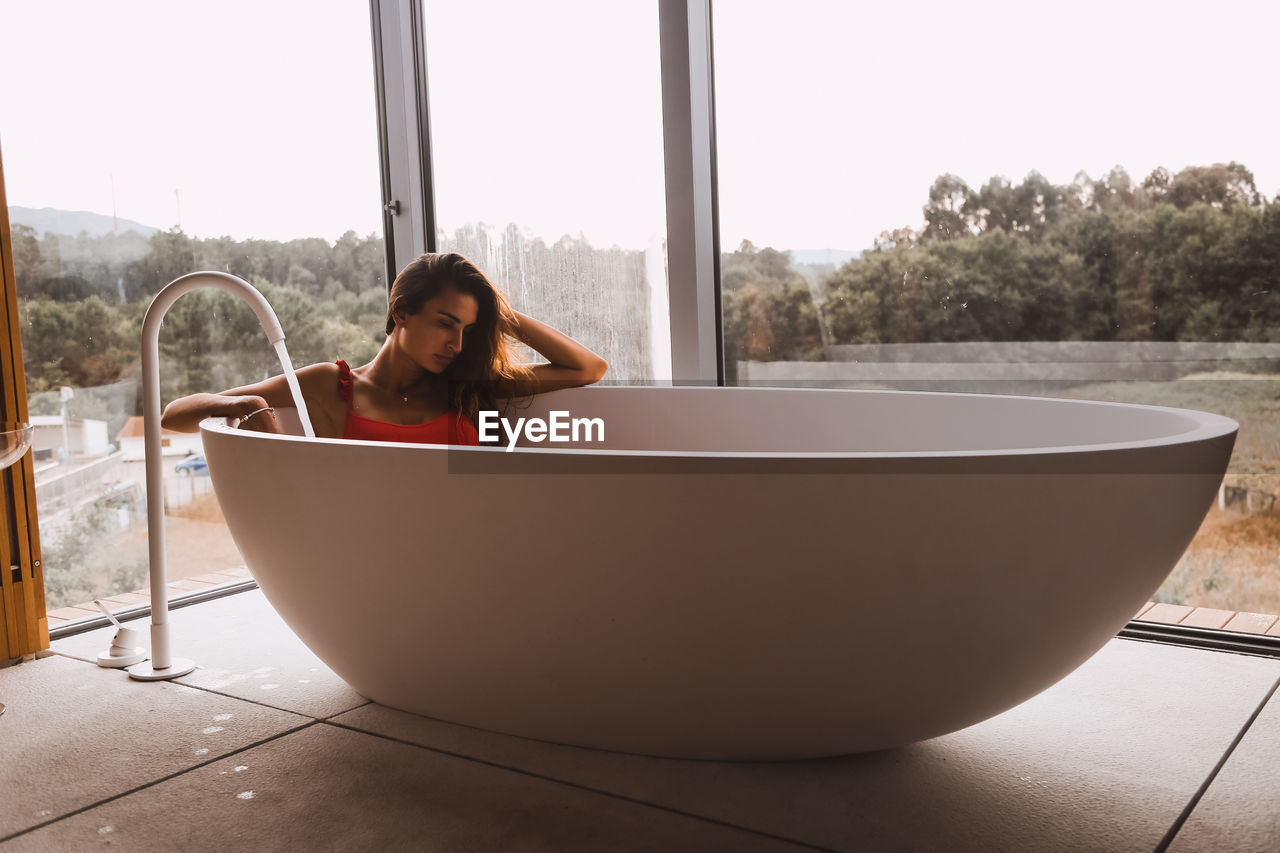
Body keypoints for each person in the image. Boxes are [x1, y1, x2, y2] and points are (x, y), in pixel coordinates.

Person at [160, 253, 607, 444]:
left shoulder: (464, 386)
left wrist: (495, 312)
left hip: (480, 546)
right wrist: (247, 403)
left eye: (469, 330)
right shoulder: (329, 386)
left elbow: (588, 368)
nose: (456, 343)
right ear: (402, 312)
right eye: (445, 323)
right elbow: (175, 414)